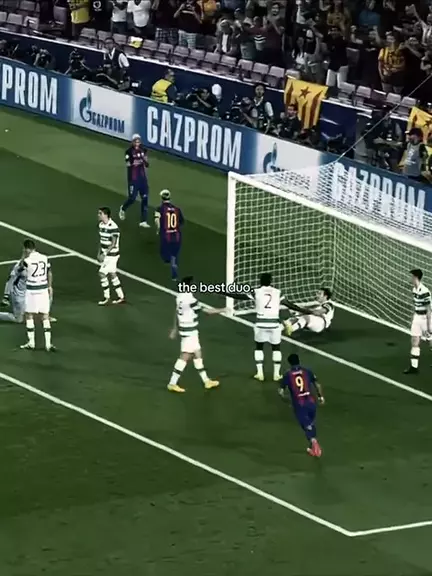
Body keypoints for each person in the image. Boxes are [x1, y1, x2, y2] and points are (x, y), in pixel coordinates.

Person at [167, 276, 219, 393]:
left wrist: (175, 328)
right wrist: (223, 309)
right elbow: (207, 311)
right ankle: (172, 383)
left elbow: (176, 312)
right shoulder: (190, 300)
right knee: (185, 356)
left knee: (197, 354)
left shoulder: (179, 297)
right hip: (190, 332)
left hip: (187, 330)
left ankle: (206, 381)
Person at [279, 353, 324, 457]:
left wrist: (286, 400)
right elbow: (317, 384)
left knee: (306, 425)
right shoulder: (307, 371)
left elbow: (281, 392)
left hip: (300, 404)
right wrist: (321, 396)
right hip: (311, 402)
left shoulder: (288, 374)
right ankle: (312, 446)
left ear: (289, 363)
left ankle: (315, 445)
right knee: (311, 423)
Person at [20, 239, 55, 352]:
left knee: (29, 315)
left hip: (31, 290)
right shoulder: (45, 258)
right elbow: (49, 272)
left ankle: (31, 343)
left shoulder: (27, 260)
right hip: (43, 289)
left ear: (26, 249)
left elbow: (20, 268)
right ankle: (48, 344)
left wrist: (23, 256)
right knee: (45, 316)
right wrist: (49, 286)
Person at [119, 134, 150, 227]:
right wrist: (136, 162)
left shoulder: (143, 150)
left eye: (138, 141)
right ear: (132, 142)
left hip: (142, 179)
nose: (137, 143)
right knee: (132, 198)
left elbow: (147, 164)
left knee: (145, 198)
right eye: (135, 141)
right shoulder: (128, 152)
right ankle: (123, 208)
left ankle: (143, 220)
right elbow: (128, 164)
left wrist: (144, 160)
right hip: (133, 178)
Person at [404, 269, 431, 374]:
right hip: (417, 318)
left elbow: (429, 309)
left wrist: (429, 326)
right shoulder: (414, 290)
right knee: (415, 341)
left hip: (425, 319)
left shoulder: (424, 291)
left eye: (411, 276)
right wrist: (413, 318)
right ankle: (414, 367)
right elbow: (416, 306)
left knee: (430, 341)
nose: (409, 278)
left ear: (415, 277)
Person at [98, 207, 125, 306]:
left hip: (112, 255)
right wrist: (99, 252)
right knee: (113, 274)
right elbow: (101, 241)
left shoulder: (113, 227)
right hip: (107, 254)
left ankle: (107, 297)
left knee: (102, 273)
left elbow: (113, 243)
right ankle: (121, 296)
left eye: (100, 213)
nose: (98, 215)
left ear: (105, 215)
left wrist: (104, 254)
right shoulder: (101, 225)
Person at [154, 190, 184, 281]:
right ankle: (174, 266)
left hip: (166, 236)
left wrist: (158, 229)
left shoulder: (160, 209)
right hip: (177, 236)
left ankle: (169, 260)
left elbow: (157, 220)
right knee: (174, 255)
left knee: (164, 253)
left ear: (162, 198)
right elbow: (182, 222)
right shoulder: (177, 209)